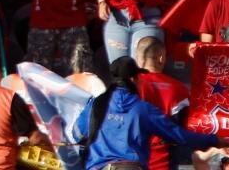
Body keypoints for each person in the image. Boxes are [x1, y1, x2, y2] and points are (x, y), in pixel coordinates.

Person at [78, 57, 221, 170]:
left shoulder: (95, 104)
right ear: (134, 79)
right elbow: (178, 135)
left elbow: (77, 133)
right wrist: (215, 140)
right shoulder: (143, 109)